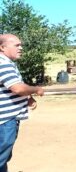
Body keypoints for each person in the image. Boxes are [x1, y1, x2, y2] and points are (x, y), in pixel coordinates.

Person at [0, 34, 44, 172]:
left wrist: (28, 97)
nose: (21, 48)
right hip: (5, 121)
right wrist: (36, 89)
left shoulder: (7, 63)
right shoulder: (3, 64)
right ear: (2, 47)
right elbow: (18, 88)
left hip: (7, 120)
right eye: (17, 45)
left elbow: (15, 85)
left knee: (4, 157)